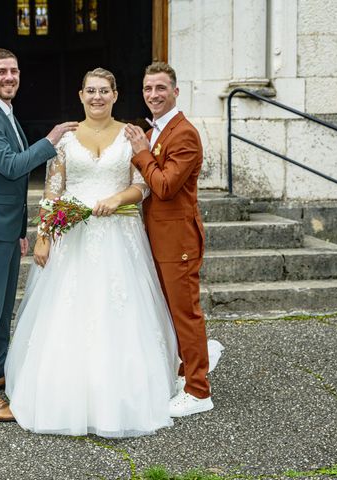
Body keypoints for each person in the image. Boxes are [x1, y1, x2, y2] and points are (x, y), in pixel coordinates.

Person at [4, 68, 180, 437]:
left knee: (120, 311)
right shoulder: (65, 138)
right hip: (73, 235)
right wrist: (44, 235)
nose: (97, 97)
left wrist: (117, 199)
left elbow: (142, 186)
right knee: (71, 311)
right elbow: (53, 190)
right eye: (91, 91)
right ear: (81, 95)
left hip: (120, 233)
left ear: (116, 95)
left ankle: (121, 395)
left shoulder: (132, 135)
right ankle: (67, 394)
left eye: (104, 91)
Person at [0, 48, 77, 422]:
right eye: (1, 72)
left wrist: (21, 229)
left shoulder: (5, 112)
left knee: (1, 310)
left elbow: (10, 182)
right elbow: (12, 167)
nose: (9, 77)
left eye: (13, 70)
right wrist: (51, 140)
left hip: (5, 228)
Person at [125, 62, 215, 417]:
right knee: (171, 313)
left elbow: (163, 186)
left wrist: (140, 151)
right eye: (148, 89)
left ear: (176, 91)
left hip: (178, 240)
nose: (153, 95)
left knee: (185, 314)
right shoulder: (157, 130)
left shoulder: (184, 133)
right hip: (157, 237)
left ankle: (198, 390)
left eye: (160, 88)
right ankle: (184, 374)